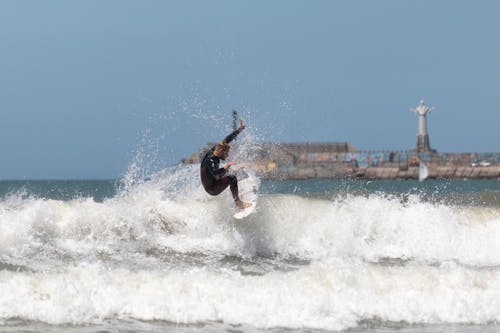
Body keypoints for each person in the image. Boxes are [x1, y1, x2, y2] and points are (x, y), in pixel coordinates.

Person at [200, 119, 251, 209]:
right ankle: (238, 202)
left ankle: (235, 193)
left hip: (214, 180)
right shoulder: (210, 160)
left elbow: (227, 139)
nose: (227, 155)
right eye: (226, 153)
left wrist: (240, 129)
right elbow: (215, 173)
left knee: (233, 172)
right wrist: (226, 167)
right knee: (232, 178)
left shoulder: (216, 150)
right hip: (212, 189)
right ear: (221, 151)